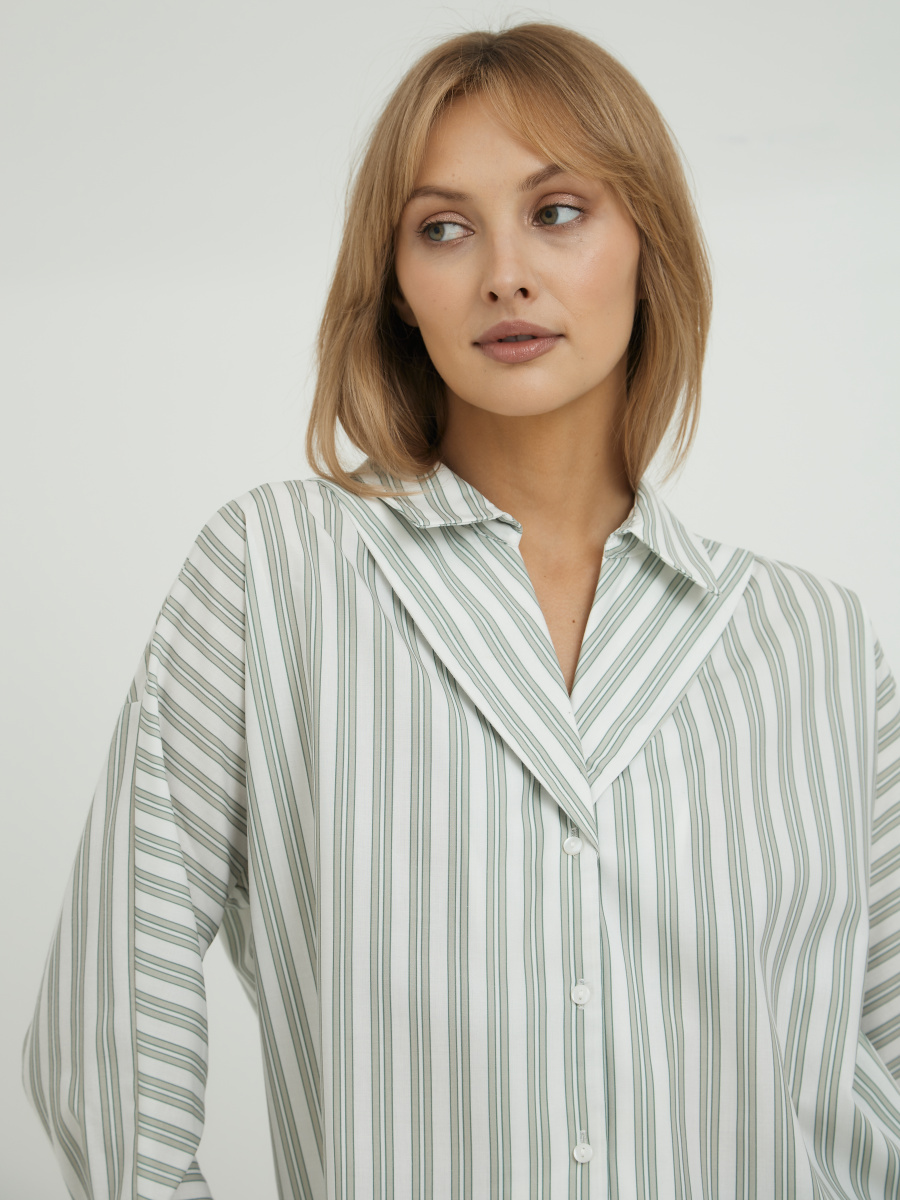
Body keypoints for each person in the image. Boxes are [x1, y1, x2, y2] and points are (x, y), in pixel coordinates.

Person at [23, 21, 900, 1200]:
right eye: (443, 228)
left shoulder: (816, 643)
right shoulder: (277, 575)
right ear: (396, 287)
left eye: (559, 211)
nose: (505, 274)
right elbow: (109, 1027)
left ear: (649, 242)